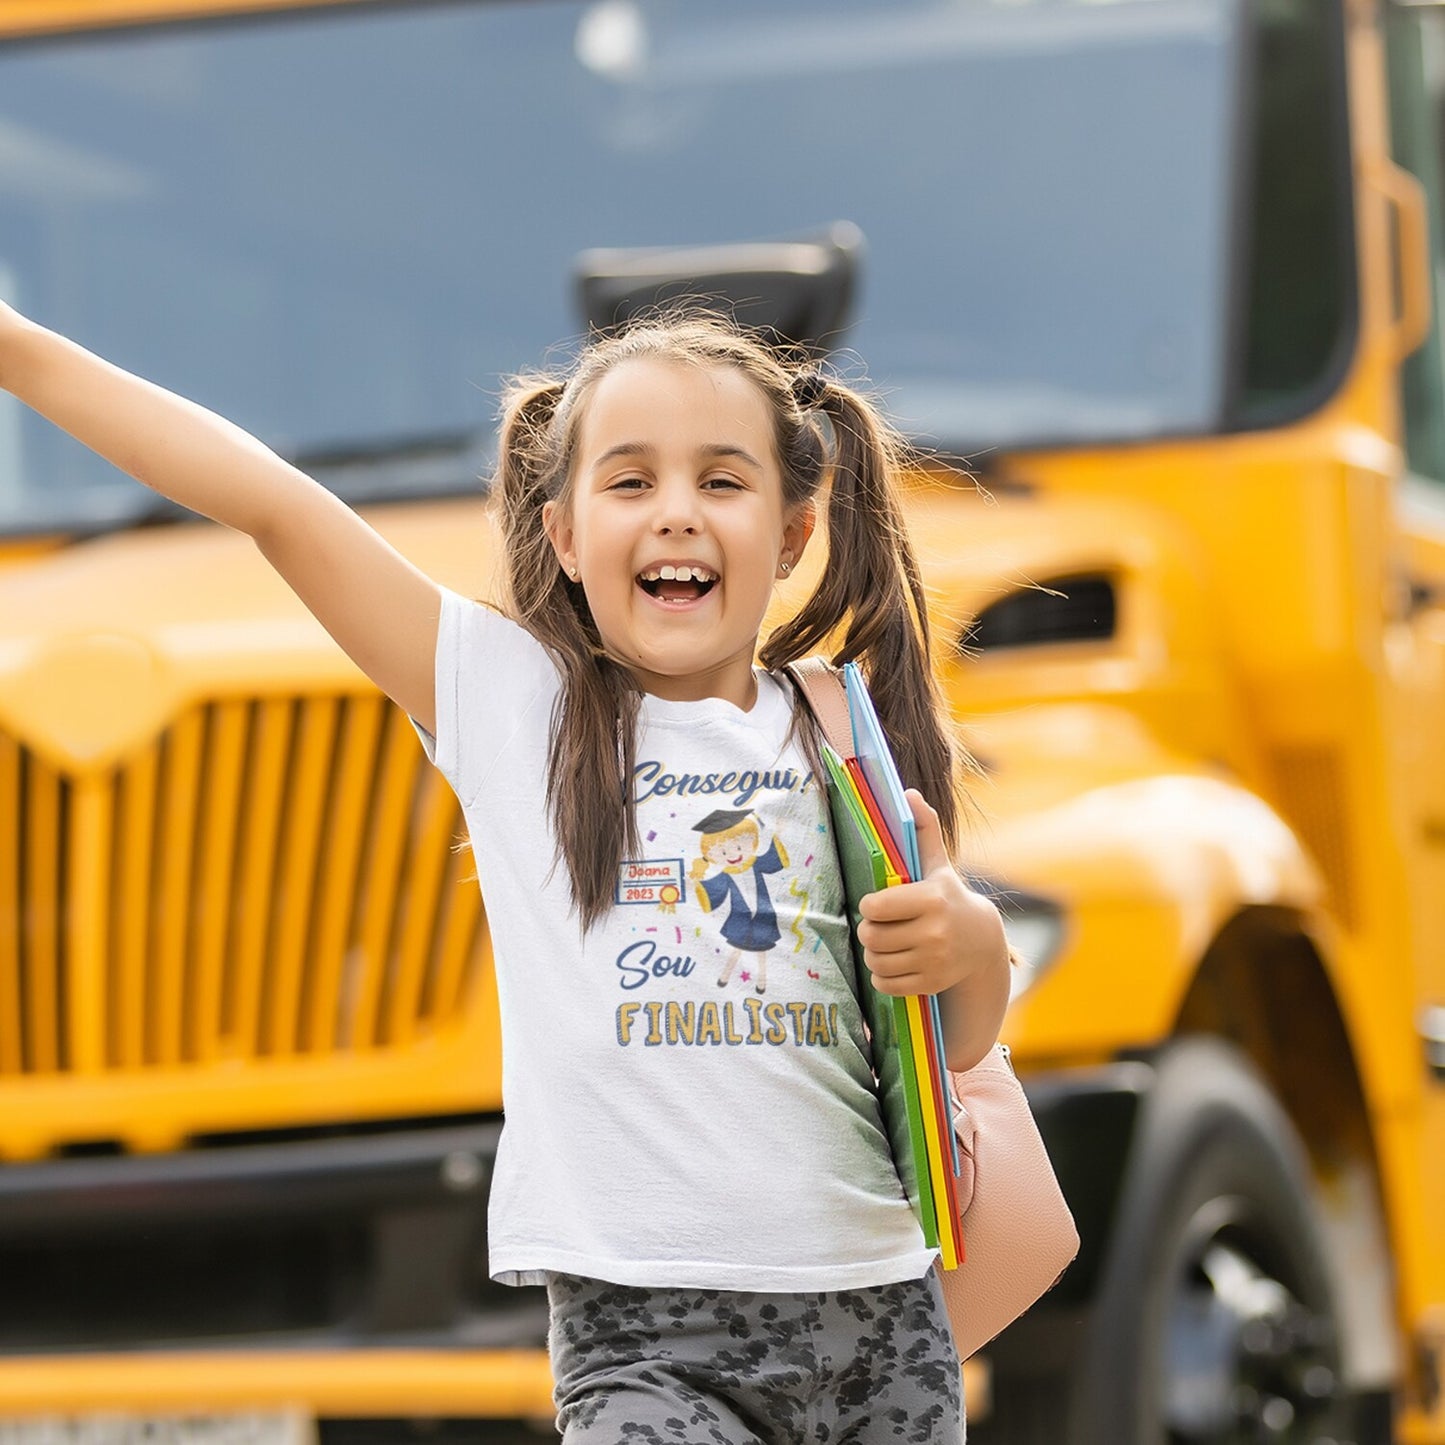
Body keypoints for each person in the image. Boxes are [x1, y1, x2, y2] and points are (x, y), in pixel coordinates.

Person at [0, 302, 1010, 1443]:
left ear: (792, 532)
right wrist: (16, 347)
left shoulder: (839, 731)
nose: (676, 511)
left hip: (881, 1319)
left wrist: (972, 946)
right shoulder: (512, 703)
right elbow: (271, 503)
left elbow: (947, 1048)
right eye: (630, 481)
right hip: (648, 1339)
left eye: (722, 481)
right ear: (564, 536)